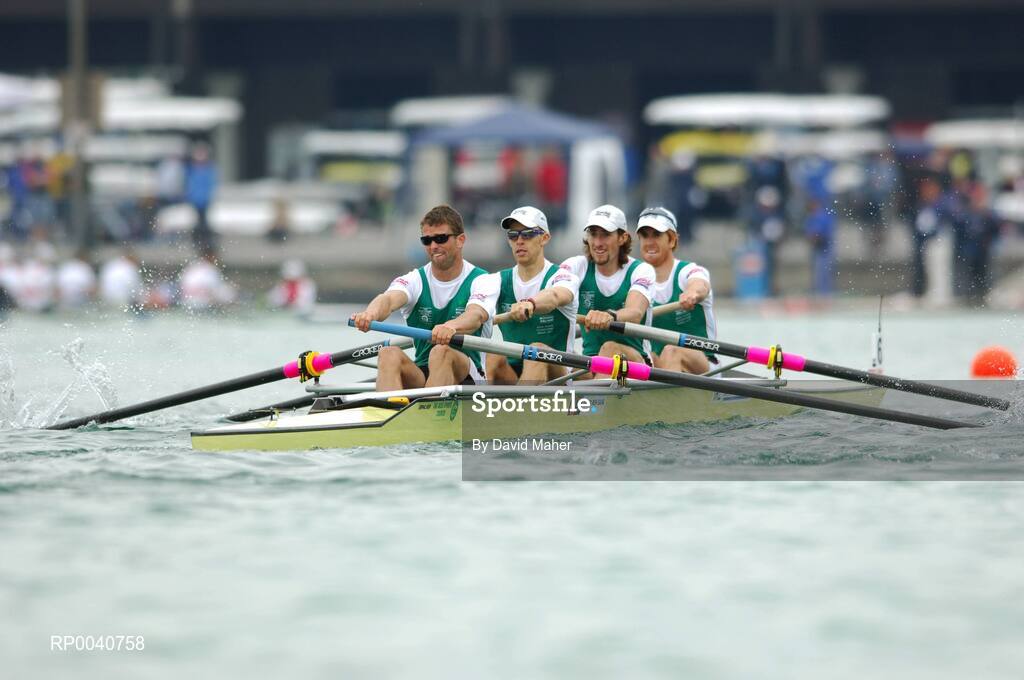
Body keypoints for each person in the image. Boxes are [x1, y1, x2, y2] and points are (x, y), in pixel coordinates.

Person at [350, 205, 497, 390]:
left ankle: (424, 411)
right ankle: (387, 412)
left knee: (441, 352)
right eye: (427, 240)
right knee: (388, 353)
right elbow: (387, 300)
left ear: (460, 240)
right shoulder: (414, 280)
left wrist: (451, 326)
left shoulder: (483, 280)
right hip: (423, 375)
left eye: (441, 238)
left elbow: (476, 315)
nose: (434, 246)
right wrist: (369, 314)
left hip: (469, 378)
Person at [452, 206, 579, 385]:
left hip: (558, 376)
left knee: (536, 351)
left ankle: (519, 409)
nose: (519, 240)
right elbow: (476, 310)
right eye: (513, 235)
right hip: (513, 374)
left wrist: (531, 303)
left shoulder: (563, 277)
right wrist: (452, 325)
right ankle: (481, 408)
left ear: (544, 238)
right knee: (493, 356)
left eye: (527, 234)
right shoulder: (495, 280)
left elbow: (556, 296)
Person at [559, 204, 655, 369]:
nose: (597, 243)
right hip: (590, 365)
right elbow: (556, 294)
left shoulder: (640, 270)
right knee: (545, 351)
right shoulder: (576, 266)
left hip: (634, 368)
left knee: (609, 348)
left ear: (622, 238)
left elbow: (635, 312)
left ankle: (594, 394)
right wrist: (532, 303)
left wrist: (610, 316)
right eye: (593, 234)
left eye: (605, 235)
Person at [635, 207, 717, 374]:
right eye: (645, 236)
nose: (649, 242)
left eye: (656, 235)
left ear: (672, 240)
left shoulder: (688, 271)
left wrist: (692, 294)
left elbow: (700, 285)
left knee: (671, 351)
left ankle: (663, 398)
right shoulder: (636, 281)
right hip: (660, 366)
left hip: (705, 369)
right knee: (627, 354)